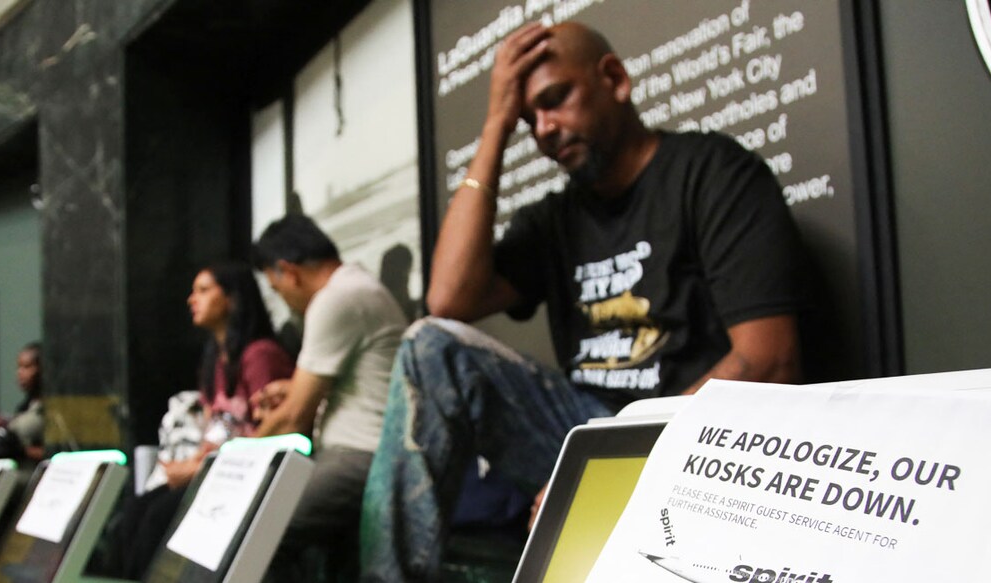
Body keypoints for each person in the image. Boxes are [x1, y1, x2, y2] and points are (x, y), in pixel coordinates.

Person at [359, 21, 806, 581]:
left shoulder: (712, 172)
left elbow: (769, 361)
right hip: (587, 432)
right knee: (430, 346)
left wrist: (614, 468)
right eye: (529, 120)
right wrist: (496, 124)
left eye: (555, 101)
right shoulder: (554, 219)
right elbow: (447, 299)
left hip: (693, 440)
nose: (544, 129)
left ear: (614, 79)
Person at [250, 214, 407, 579]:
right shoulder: (356, 287)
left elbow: (293, 418)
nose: (284, 299)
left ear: (288, 271)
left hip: (359, 456)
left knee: (259, 534)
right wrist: (292, 390)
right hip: (362, 451)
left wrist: (237, 456)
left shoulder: (337, 299)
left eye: (277, 289)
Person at [120, 262, 294, 579]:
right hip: (213, 467)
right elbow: (214, 429)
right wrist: (194, 464)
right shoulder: (215, 355)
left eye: (203, 290)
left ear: (232, 298)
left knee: (160, 516)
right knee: (135, 511)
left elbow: (271, 429)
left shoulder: (261, 355)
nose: (191, 299)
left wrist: (199, 469)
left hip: (245, 473)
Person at [0, 342, 45, 462]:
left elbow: (57, 452)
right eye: (19, 367)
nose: (20, 373)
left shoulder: (53, 408)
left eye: (27, 367)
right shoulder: (25, 406)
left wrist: (22, 451)